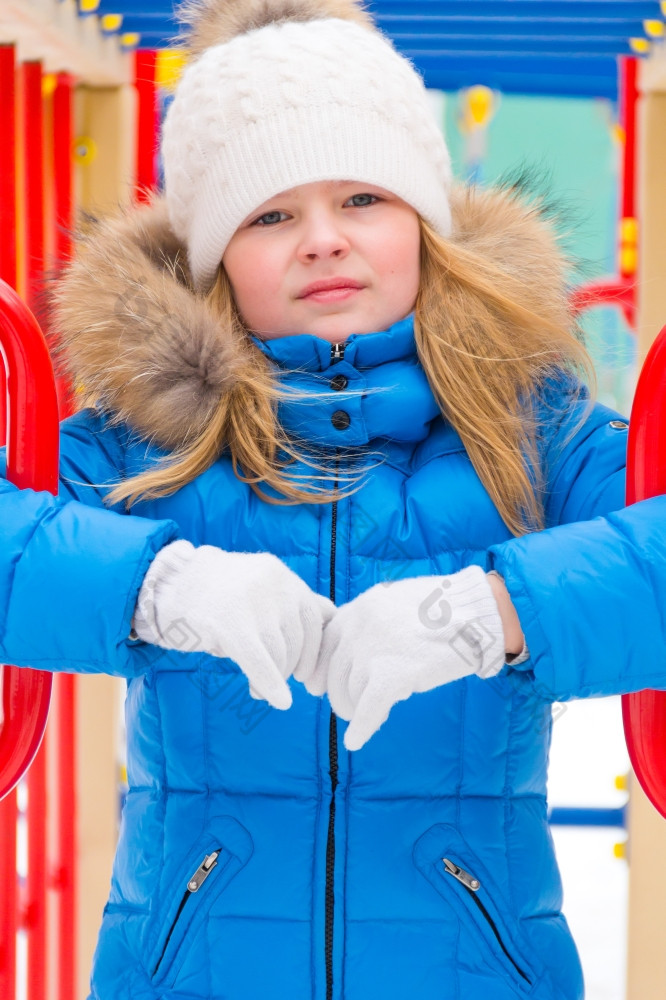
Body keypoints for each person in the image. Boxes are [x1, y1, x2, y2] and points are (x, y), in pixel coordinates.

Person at [3, 0, 666, 997]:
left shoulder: (531, 432)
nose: (322, 240)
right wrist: (157, 584)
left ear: (423, 222)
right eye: (269, 214)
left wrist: (498, 610)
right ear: (216, 253)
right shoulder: (150, 445)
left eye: (363, 197)